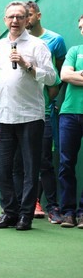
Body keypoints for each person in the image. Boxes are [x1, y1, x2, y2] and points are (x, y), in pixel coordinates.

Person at [0, 1, 56, 231]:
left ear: (27, 20)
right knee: (2, 169)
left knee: (29, 168)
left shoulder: (38, 46)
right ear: (5, 20)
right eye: (10, 17)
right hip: (3, 116)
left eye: (19, 17)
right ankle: (10, 213)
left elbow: (52, 78)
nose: (14, 21)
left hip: (31, 117)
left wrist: (27, 66)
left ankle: (26, 214)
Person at [24, 0, 66, 221]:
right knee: (23, 161)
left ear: (38, 15)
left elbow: (56, 76)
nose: (25, 19)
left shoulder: (55, 41)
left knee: (45, 160)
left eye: (28, 15)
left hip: (46, 112)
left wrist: (48, 100)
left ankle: (53, 207)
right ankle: (30, 204)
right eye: (22, 15)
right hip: (21, 112)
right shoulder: (15, 42)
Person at [55, 15, 83, 228]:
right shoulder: (74, 51)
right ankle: (68, 212)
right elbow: (65, 75)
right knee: (66, 163)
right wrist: (72, 74)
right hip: (69, 113)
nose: (82, 30)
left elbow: (72, 75)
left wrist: (77, 75)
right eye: (80, 27)